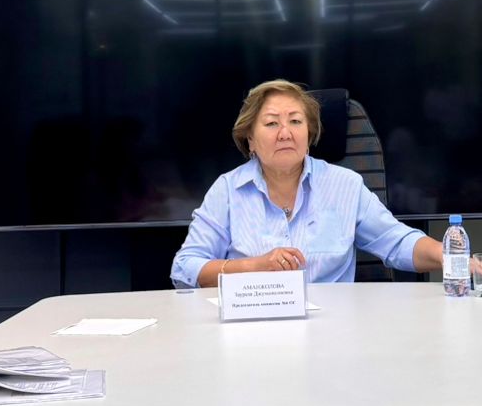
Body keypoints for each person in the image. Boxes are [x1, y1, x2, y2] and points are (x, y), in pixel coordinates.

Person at [171, 79, 444, 288]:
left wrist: (447, 254)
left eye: (295, 121)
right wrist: (254, 266)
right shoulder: (228, 190)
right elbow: (184, 268)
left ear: (309, 134)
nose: (285, 133)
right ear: (250, 139)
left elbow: (397, 242)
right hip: (253, 328)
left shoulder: (345, 185)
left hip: (333, 327)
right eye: (271, 123)